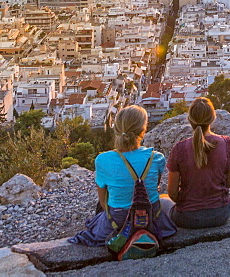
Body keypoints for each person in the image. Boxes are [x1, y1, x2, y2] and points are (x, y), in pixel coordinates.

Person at [69, 105, 175, 246]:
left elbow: (103, 202)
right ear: (143, 130)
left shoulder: (103, 160)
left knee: (102, 207)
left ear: (116, 129)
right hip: (150, 217)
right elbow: (154, 188)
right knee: (165, 200)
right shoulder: (156, 158)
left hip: (117, 221)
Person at [165, 97, 230, 228]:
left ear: (190, 119)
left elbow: (172, 194)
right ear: (213, 118)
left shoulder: (179, 148)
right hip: (220, 214)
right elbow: (229, 183)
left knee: (163, 202)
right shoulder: (226, 143)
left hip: (187, 217)